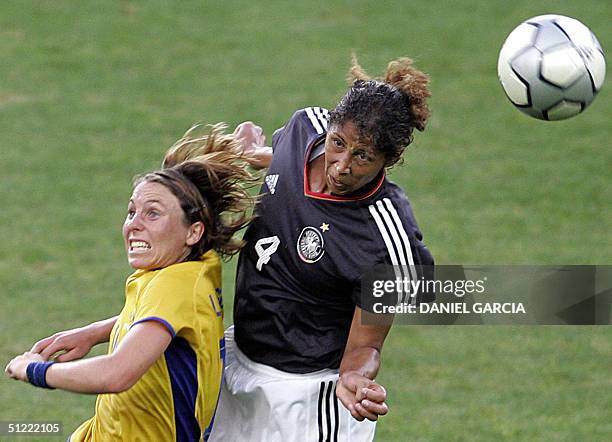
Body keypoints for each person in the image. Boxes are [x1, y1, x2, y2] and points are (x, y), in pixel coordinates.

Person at [208, 56, 435, 441]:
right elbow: (283, 164)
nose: (341, 165)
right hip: (235, 365)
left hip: (308, 401)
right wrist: (245, 156)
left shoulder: (385, 237)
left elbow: (367, 344)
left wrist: (355, 377)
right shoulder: (303, 127)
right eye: (338, 143)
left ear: (389, 160)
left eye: (362, 157)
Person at [5, 124, 257, 441]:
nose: (133, 225)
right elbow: (166, 321)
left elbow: (117, 373)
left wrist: (35, 371)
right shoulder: (194, 267)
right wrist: (93, 332)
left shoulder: (174, 286)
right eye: (131, 211)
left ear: (193, 231)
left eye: (153, 214)